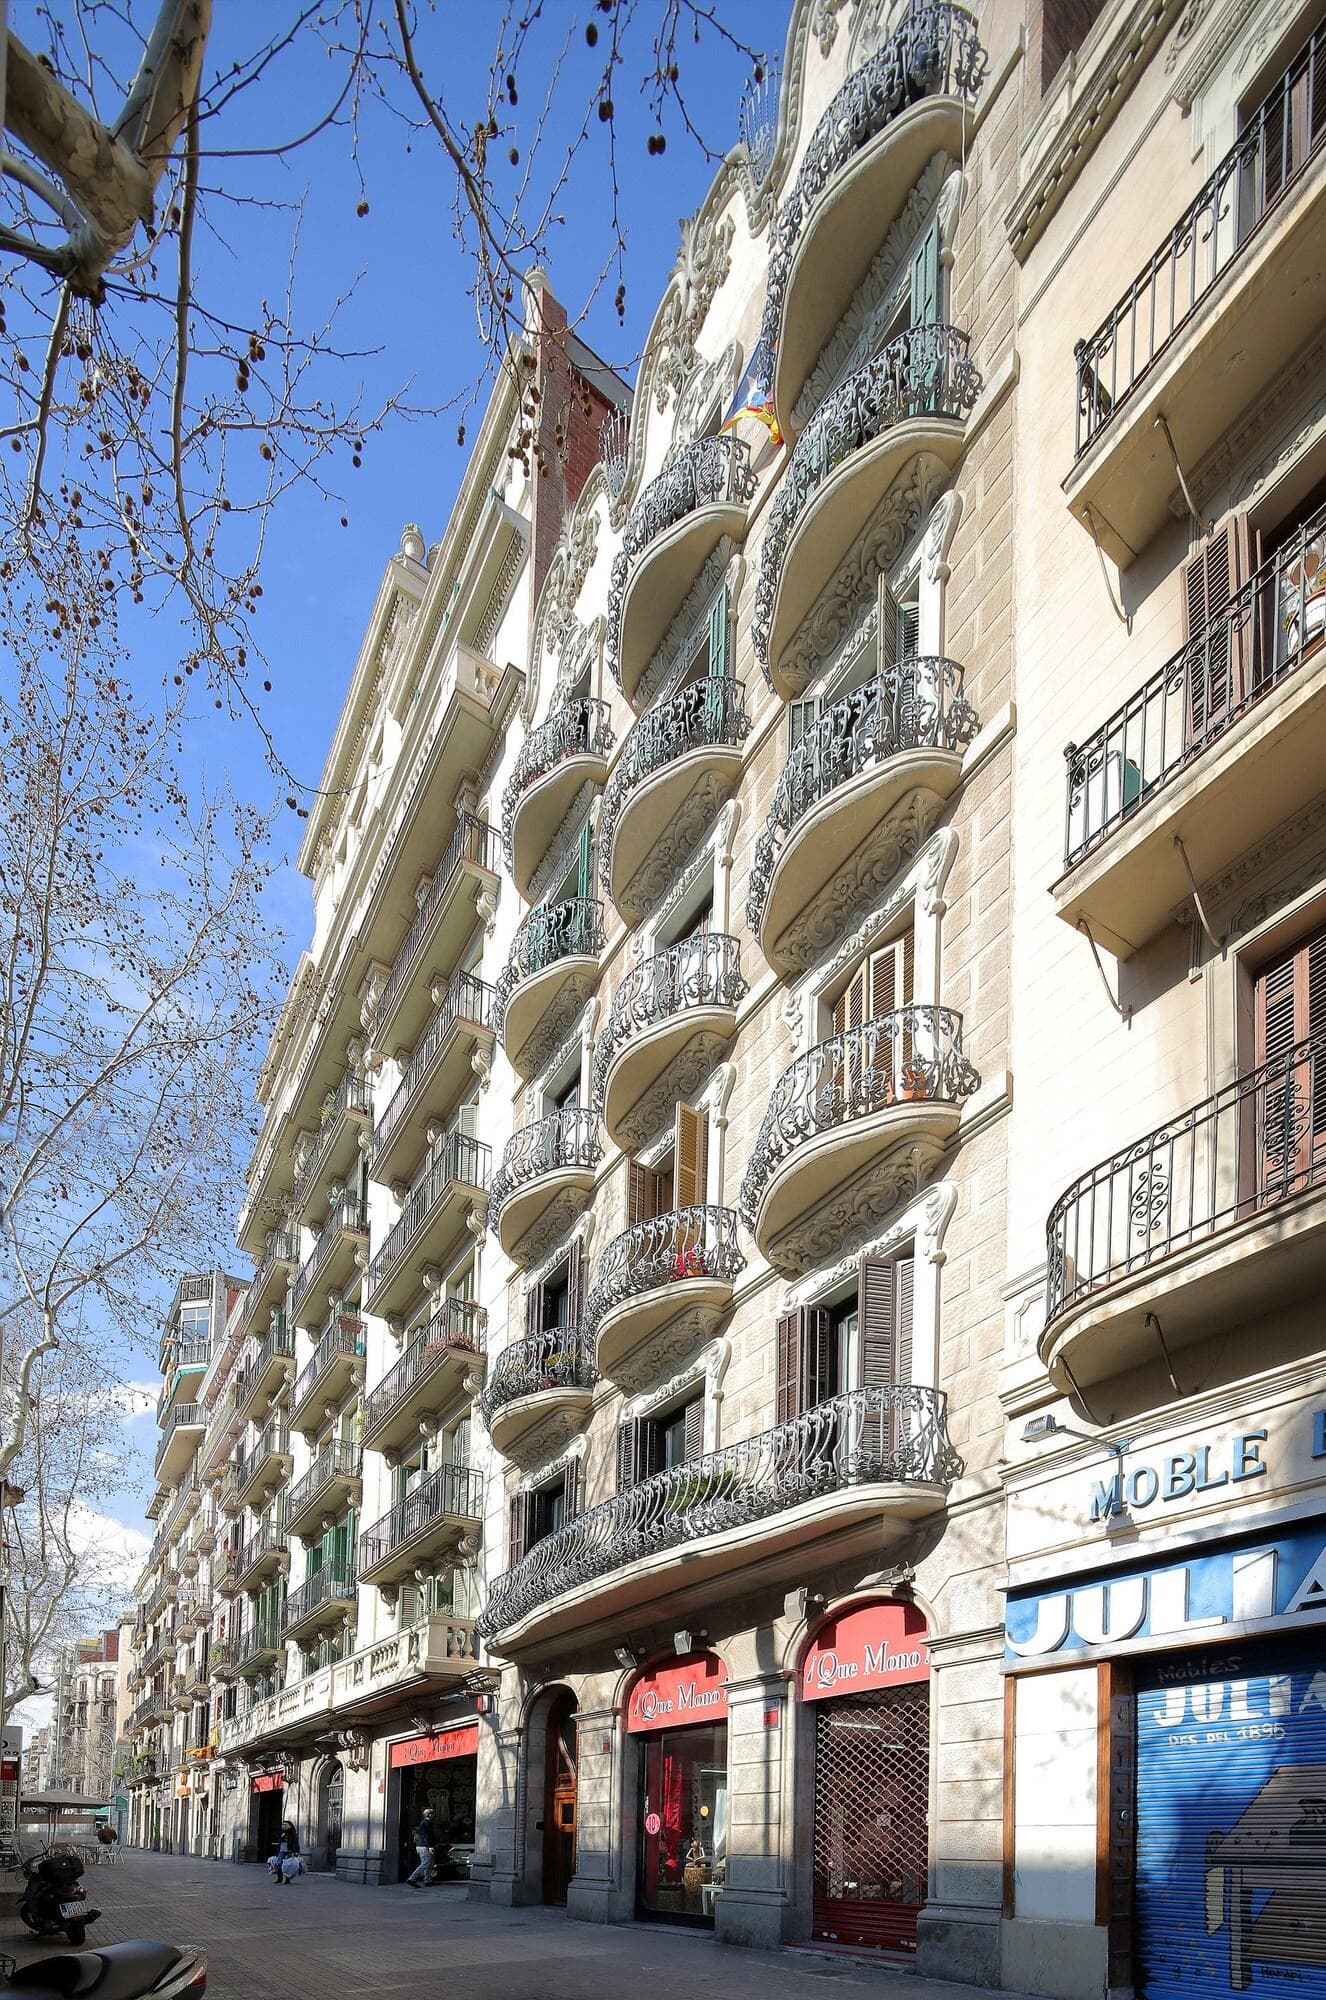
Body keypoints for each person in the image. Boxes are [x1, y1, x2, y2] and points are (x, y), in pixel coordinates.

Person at [406, 1806, 435, 1889]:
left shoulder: (426, 1823)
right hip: (424, 1846)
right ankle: (412, 1879)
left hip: (423, 1846)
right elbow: (425, 1836)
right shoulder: (426, 1823)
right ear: (429, 1815)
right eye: (432, 1814)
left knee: (429, 1864)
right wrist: (430, 1846)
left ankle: (428, 1880)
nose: (433, 1815)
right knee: (426, 1863)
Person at [269, 1820, 302, 1885]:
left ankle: (287, 1880)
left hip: (289, 1851)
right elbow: (279, 1842)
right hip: (281, 1850)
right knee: (278, 1864)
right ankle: (279, 1879)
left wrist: (295, 1851)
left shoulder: (293, 1834)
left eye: (285, 1825)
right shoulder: (281, 1833)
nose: (283, 1826)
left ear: (290, 1826)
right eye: (283, 1825)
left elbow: (295, 1843)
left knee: (288, 1866)